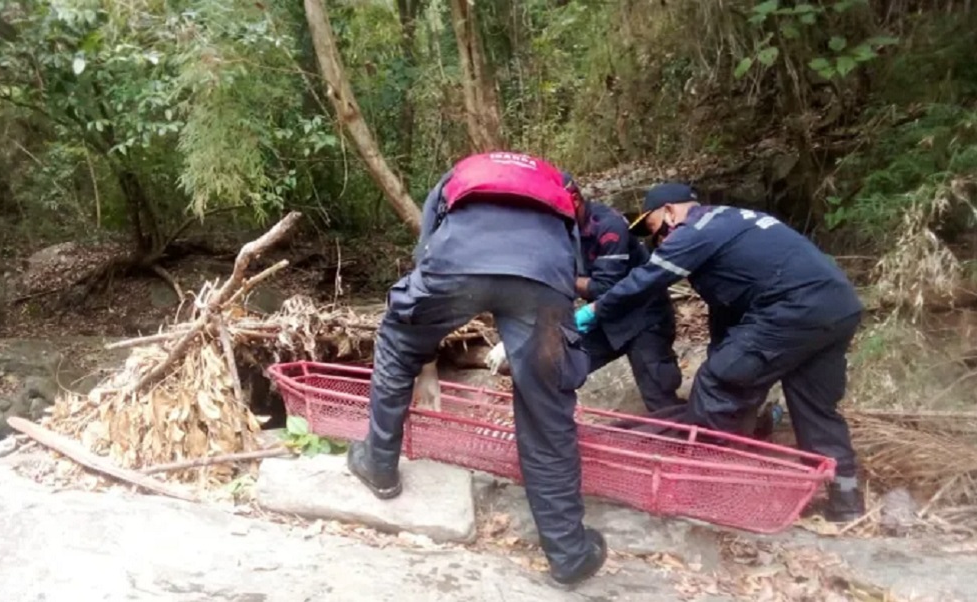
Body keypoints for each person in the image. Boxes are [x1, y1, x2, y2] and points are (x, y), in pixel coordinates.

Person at [347, 151, 608, 586]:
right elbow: (573, 250)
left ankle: (379, 466)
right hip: (542, 278)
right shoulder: (556, 181)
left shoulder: (463, 171)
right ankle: (568, 553)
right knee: (547, 407)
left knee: (396, 342)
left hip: (455, 265)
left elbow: (428, 243)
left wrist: (422, 341)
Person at [574, 182, 865, 522]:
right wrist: (722, 353)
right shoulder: (732, 223)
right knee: (815, 408)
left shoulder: (694, 231)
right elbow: (728, 309)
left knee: (717, 384)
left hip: (792, 309)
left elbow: (644, 281)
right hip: (837, 306)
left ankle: (710, 496)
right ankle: (846, 504)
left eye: (654, 230)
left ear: (669, 211)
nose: (657, 243)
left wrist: (594, 311)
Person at [566, 173, 684, 412]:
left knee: (661, 402)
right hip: (605, 317)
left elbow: (604, 286)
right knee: (561, 368)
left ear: (575, 199)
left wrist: (562, 278)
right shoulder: (562, 231)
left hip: (643, 317)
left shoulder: (609, 226)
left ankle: (718, 435)